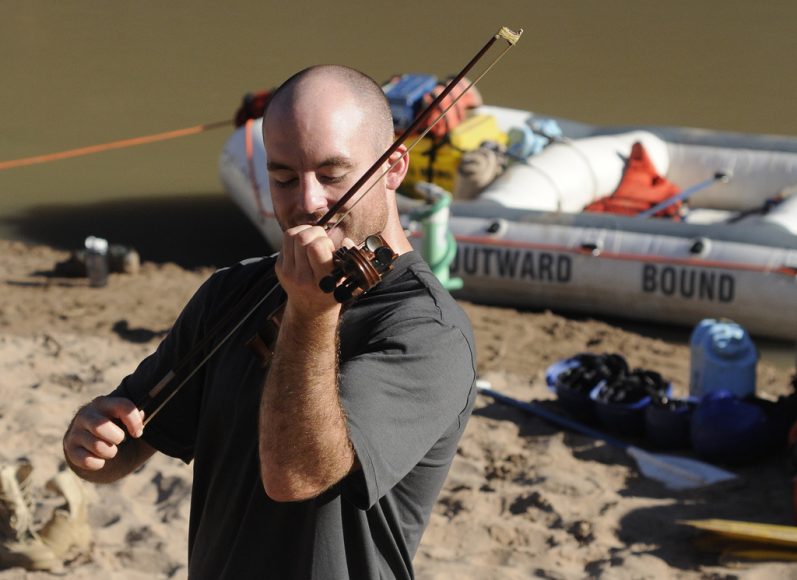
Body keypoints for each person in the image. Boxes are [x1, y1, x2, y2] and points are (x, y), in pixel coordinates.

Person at [62, 65, 477, 579]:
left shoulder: (428, 332)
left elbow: (296, 476)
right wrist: (91, 443)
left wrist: (309, 314)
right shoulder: (230, 293)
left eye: (332, 175)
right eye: (283, 177)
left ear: (393, 168)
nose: (308, 202)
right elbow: (134, 438)